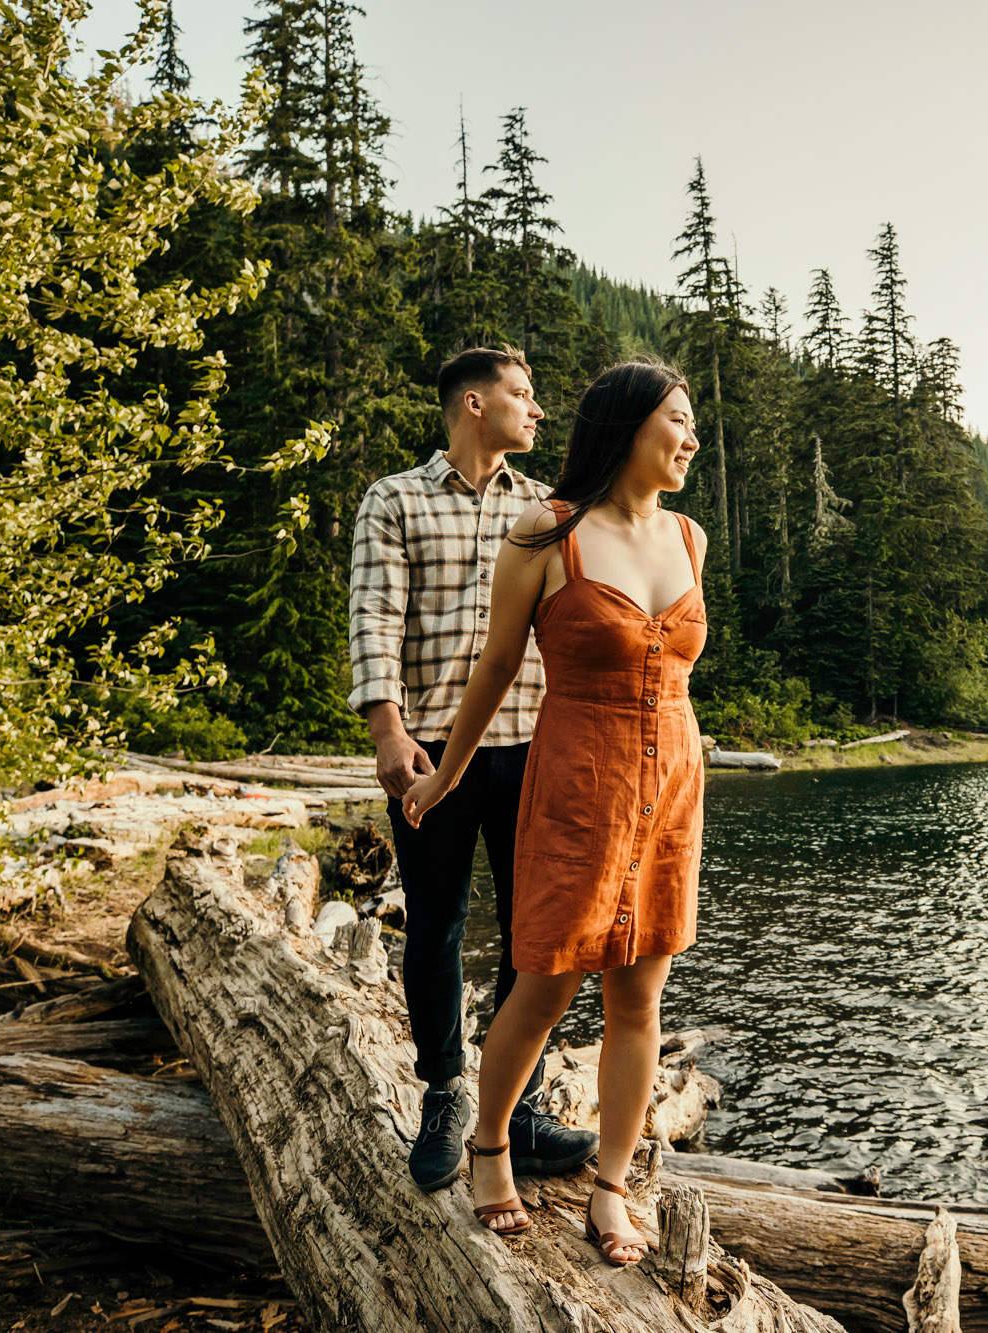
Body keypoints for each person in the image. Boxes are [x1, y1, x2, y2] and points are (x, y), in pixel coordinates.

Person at [399, 357, 706, 1266]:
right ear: (627, 425)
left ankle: (610, 1186)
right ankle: (490, 1141)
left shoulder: (691, 539)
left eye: (693, 426)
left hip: (673, 790)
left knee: (640, 996)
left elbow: (675, 675)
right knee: (545, 982)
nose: (690, 439)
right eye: (678, 421)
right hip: (579, 784)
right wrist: (447, 773)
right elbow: (494, 668)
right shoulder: (547, 533)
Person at [346, 346, 598, 1195]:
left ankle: (516, 1107)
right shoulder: (396, 500)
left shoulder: (550, 509)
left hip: (538, 750)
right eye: (523, 395)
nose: (537, 410)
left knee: (537, 934)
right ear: (473, 403)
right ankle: (447, 1092)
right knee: (437, 925)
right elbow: (375, 618)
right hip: (428, 753)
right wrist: (387, 731)